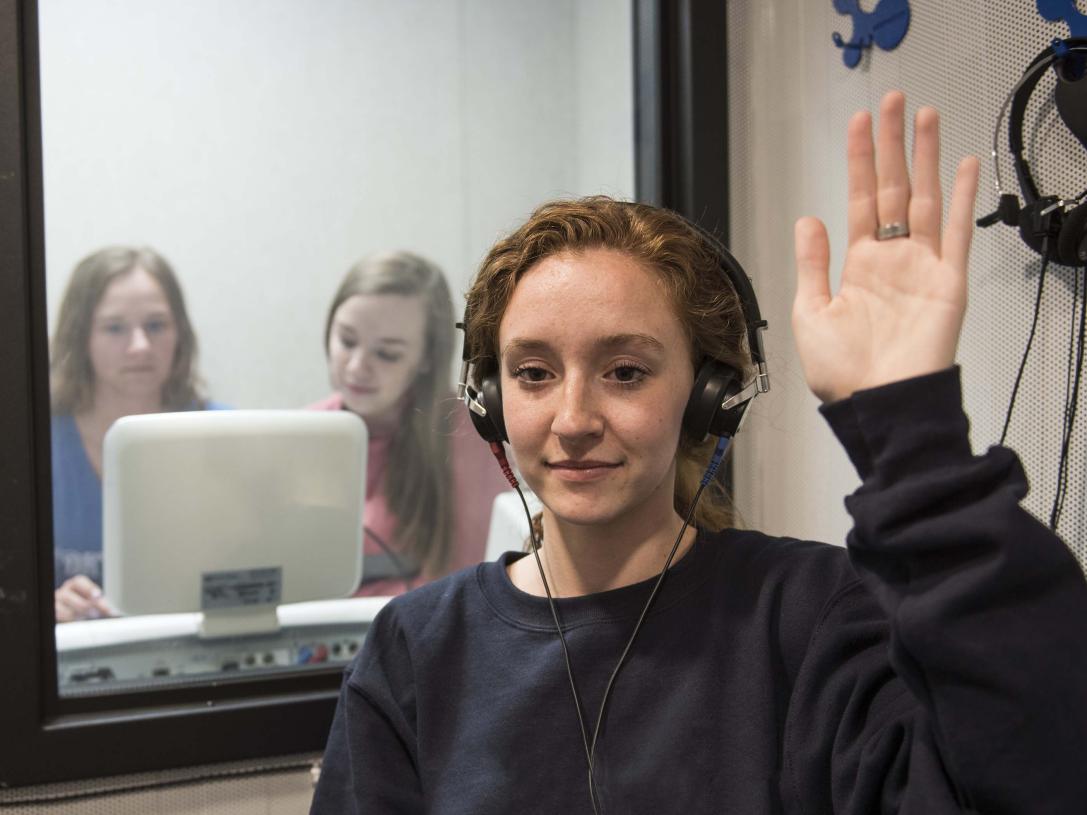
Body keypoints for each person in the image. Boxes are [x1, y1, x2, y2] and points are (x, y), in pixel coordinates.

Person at [310, 93, 1087, 813]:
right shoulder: (416, 649)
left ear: (710, 393)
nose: (572, 417)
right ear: (488, 397)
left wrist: (908, 428)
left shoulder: (808, 615)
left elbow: (1036, 774)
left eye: (625, 371)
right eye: (534, 373)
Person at [309, 250, 509, 596]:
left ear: (426, 359)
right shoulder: (302, 434)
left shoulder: (470, 437)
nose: (356, 367)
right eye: (346, 340)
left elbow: (484, 584)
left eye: (387, 353)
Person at [51, 246, 221, 623]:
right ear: (80, 338)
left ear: (180, 333)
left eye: (156, 325)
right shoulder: (29, 444)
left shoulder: (224, 435)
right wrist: (42, 608)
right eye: (115, 328)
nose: (140, 346)